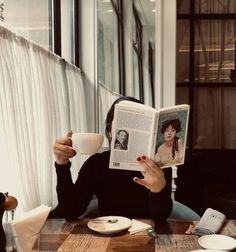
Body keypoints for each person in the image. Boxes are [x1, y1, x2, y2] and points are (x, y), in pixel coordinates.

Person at [50, 96, 173, 225]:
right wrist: (61, 164)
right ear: (110, 131)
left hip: (147, 236)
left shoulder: (159, 165)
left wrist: (157, 191)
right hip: (107, 236)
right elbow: (70, 211)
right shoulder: (96, 164)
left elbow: (160, 218)